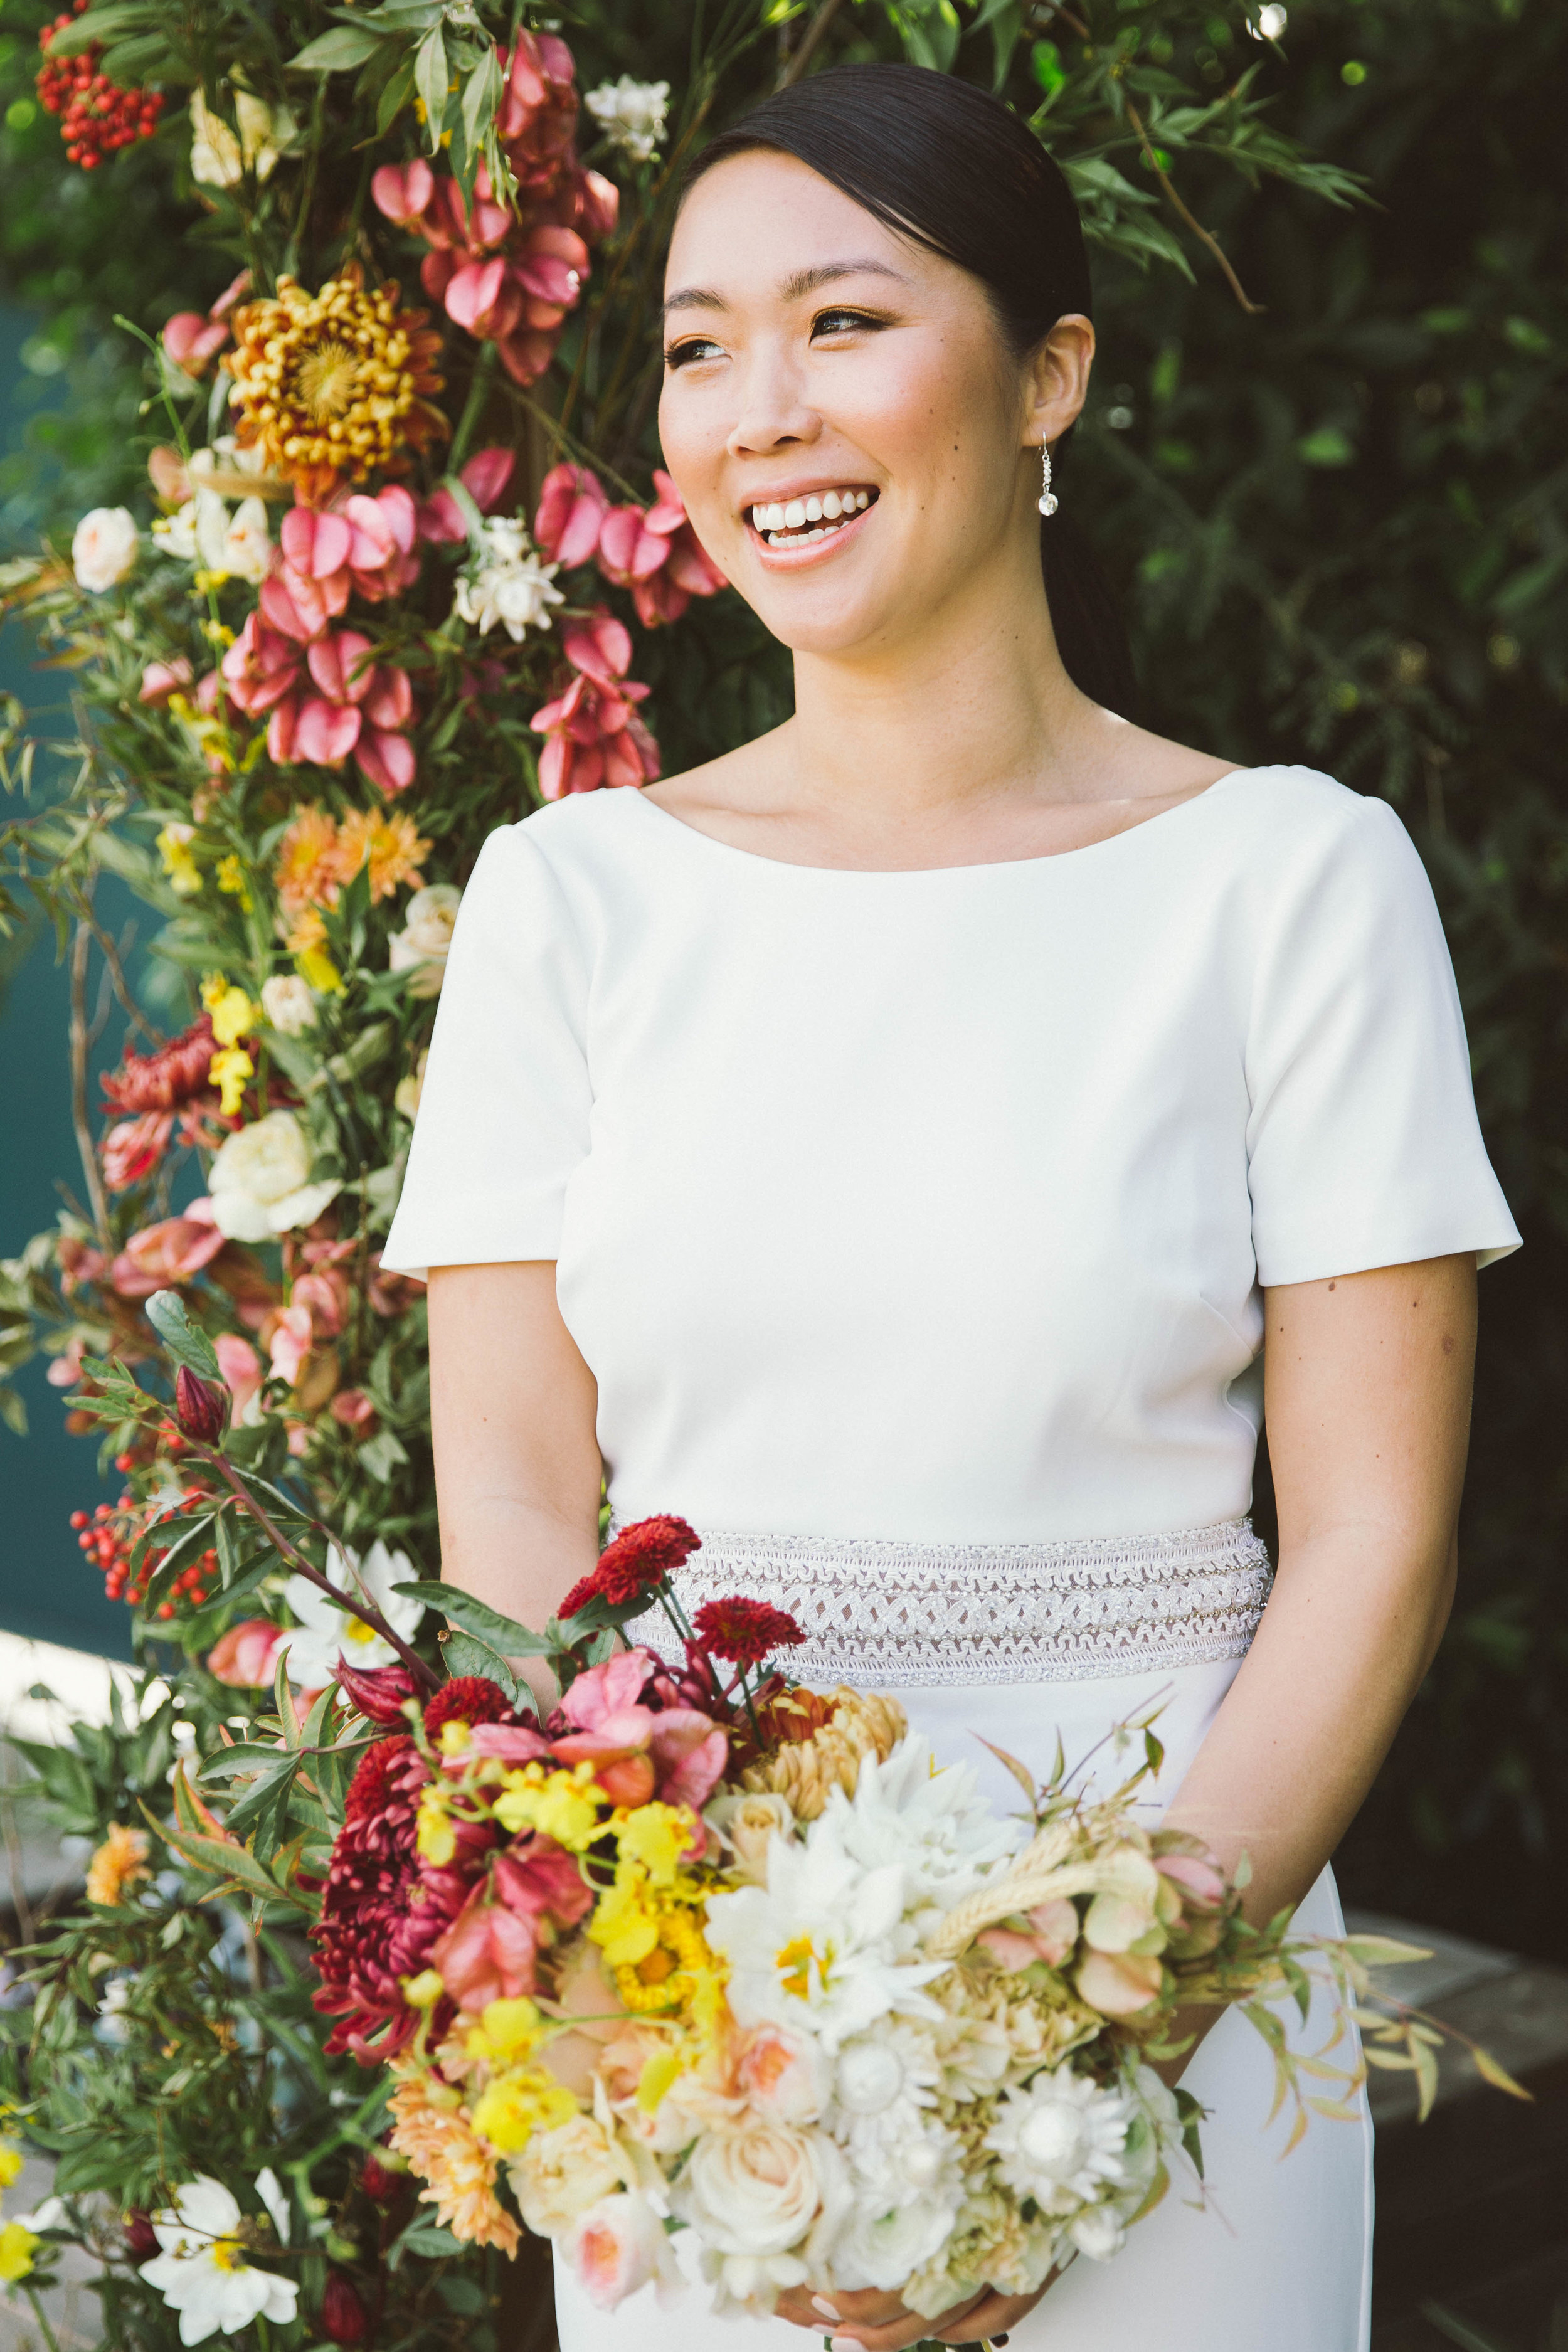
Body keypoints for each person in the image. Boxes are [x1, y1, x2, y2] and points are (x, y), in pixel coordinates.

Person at [380, 61, 1519, 2352]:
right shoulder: (565, 902)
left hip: (1169, 2026)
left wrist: (1071, 2060)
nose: (759, 412)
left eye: (846, 322)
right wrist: (652, 2014)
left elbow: (1373, 1538)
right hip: (705, 2051)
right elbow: (512, 1499)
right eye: (698, 346)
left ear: (1049, 377)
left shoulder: (1290, 880)